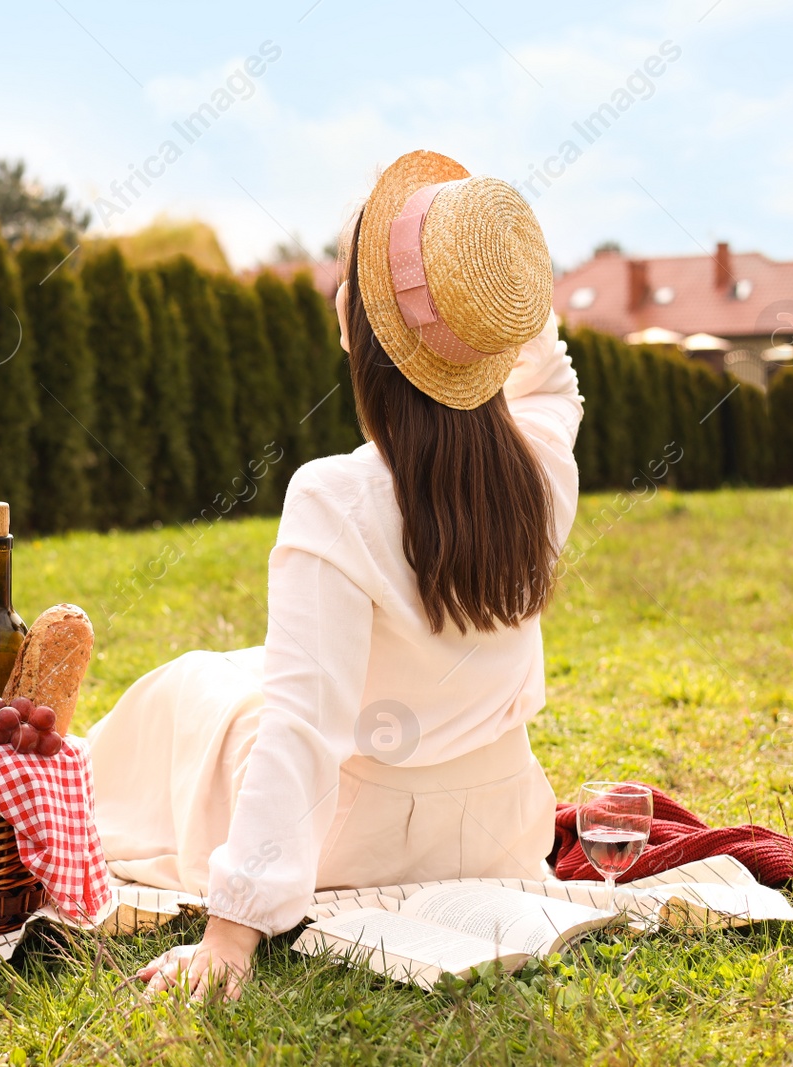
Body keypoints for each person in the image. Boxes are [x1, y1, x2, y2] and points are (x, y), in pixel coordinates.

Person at [85, 150, 582, 1000]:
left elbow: (303, 729)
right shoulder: (540, 467)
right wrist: (490, 279)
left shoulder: (335, 495)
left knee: (195, 690)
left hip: (359, 843)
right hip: (501, 829)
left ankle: (58, 792)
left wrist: (231, 932)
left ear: (369, 326)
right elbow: (553, 379)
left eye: (354, 277)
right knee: (243, 670)